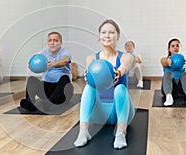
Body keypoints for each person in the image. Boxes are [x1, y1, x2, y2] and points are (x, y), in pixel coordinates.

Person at [74, 19, 135, 149]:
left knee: (120, 88)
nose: (107, 35)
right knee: (88, 88)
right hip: (100, 114)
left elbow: (124, 67)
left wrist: (117, 73)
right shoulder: (92, 58)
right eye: (104, 32)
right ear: (99, 36)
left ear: (117, 36)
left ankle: (121, 132)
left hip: (121, 112)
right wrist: (87, 75)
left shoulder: (126, 56)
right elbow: (89, 72)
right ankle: (83, 131)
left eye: (111, 32)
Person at [20, 32, 73, 113]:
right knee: (32, 79)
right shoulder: (43, 54)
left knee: (65, 78)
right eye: (50, 40)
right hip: (47, 90)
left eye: (55, 40)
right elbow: (36, 63)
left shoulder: (65, 52)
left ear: (61, 42)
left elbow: (64, 61)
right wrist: (31, 65)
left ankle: (50, 103)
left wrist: (52, 64)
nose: (52, 43)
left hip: (63, 91)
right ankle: (30, 102)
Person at [160, 38, 186, 106]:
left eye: (177, 45)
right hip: (168, 90)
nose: (175, 47)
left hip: (182, 90)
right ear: (169, 49)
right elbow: (163, 62)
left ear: (180, 48)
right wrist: (167, 62)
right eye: (173, 46)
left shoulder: (185, 59)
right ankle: (169, 98)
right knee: (168, 73)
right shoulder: (165, 59)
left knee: (185, 73)